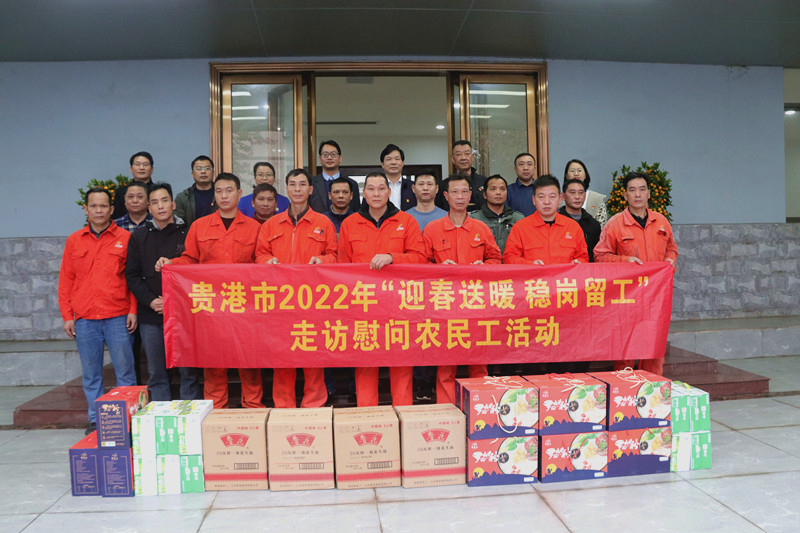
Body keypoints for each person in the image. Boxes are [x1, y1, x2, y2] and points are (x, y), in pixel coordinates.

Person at [156, 173, 265, 409]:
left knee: (249, 361)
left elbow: (261, 263)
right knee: (214, 362)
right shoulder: (199, 226)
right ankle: (216, 410)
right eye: (219, 191)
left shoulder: (254, 227)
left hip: (244, 307)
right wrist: (172, 263)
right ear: (214, 195)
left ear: (239, 194)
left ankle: (253, 407)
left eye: (229, 190)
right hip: (211, 308)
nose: (224, 195)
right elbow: (190, 259)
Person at [338, 172, 426, 407]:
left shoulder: (406, 221)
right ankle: (367, 416)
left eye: (381, 189)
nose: (376, 194)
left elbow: (420, 258)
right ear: (364, 193)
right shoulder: (349, 224)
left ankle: (404, 415)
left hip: (399, 305)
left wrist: (392, 257)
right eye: (371, 189)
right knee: (366, 365)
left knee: (401, 364)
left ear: (389, 192)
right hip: (363, 306)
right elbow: (341, 266)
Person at [58, 187, 138, 434]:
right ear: (86, 209)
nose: (99, 210)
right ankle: (96, 420)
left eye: (104, 206)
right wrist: (67, 316)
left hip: (118, 316)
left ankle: (128, 419)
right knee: (92, 374)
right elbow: (66, 280)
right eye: (94, 206)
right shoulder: (74, 240)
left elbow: (133, 278)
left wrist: (133, 310)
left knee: (125, 372)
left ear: (112, 209)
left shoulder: (125, 238)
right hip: (85, 319)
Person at [255, 169, 337, 408]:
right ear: (286, 189)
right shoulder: (271, 224)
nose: (298, 189)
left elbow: (335, 255)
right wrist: (267, 261)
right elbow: (260, 255)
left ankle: (314, 405)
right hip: (280, 302)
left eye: (302, 184)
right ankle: (284, 407)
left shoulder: (323, 223)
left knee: (313, 358)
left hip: (313, 301)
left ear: (310, 190)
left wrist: (322, 260)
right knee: (282, 358)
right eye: (293, 184)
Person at [423, 175, 500, 405]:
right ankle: (446, 410)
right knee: (446, 366)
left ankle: (481, 407)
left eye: (464, 192)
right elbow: (420, 265)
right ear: (446, 196)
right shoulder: (433, 229)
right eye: (455, 192)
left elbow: (496, 259)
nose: (460, 197)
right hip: (444, 307)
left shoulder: (481, 228)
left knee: (479, 364)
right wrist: (438, 269)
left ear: (470, 196)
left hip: (476, 306)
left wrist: (484, 266)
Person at [595, 170, 678, 375]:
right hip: (627, 297)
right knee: (626, 349)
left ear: (649, 193)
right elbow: (600, 256)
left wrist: (670, 261)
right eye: (632, 190)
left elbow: (672, 249)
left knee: (654, 347)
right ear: (625, 195)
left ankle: (654, 387)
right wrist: (625, 261)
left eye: (642, 189)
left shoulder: (661, 222)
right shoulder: (615, 224)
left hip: (656, 297)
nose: (638, 194)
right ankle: (626, 389)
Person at [125, 183, 201, 401]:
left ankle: (190, 413)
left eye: (165, 200)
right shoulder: (139, 236)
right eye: (155, 202)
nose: (160, 206)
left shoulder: (187, 233)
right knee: (156, 372)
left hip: (183, 313)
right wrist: (151, 301)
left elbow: (196, 269)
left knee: (189, 370)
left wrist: (173, 301)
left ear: (173, 204)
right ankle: (160, 414)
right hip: (151, 314)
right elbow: (132, 275)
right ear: (149, 208)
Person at [503, 175, 589, 265]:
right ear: (534, 200)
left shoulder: (573, 227)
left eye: (552, 197)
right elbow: (509, 258)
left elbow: (584, 257)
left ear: (560, 199)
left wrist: (578, 263)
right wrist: (529, 265)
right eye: (541, 197)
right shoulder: (520, 228)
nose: (547, 202)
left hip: (565, 275)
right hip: (533, 274)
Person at [471, 174, 525, 254]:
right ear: (485, 195)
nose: (498, 193)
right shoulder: (474, 219)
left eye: (502, 189)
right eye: (493, 189)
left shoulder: (518, 218)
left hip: (512, 261)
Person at [309, 140, 360, 213]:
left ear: (340, 158)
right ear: (320, 158)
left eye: (333, 154)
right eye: (325, 154)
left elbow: (356, 211)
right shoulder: (311, 183)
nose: (329, 157)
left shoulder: (352, 184)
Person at [435, 140, 487, 212]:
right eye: (458, 154)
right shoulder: (443, 185)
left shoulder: (484, 182)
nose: (463, 158)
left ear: (472, 157)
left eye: (467, 154)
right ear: (452, 159)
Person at [558, 178, 602, 261]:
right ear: (563, 196)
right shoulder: (556, 221)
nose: (577, 197)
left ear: (584, 196)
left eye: (581, 193)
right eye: (572, 192)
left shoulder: (593, 224)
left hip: (587, 267)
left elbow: (597, 255)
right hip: (562, 267)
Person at [174, 155, 218, 227]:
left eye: (207, 168)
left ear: (213, 172)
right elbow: (178, 225)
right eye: (199, 168)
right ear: (192, 174)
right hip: (192, 233)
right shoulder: (182, 198)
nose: (203, 172)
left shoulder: (222, 195)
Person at [564, 159, 608, 226]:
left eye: (579, 170)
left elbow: (602, 227)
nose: (576, 174)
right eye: (572, 171)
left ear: (585, 175)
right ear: (567, 176)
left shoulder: (597, 199)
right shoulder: (559, 200)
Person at [114, 151, 155, 219]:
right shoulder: (121, 192)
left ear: (152, 169)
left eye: (145, 164)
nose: (141, 168)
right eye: (137, 164)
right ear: (131, 169)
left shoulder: (158, 191)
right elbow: (116, 218)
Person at [380, 143, 416, 211]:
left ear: (402, 163)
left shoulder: (413, 187)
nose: (393, 162)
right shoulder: (376, 187)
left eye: (397, 159)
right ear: (382, 164)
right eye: (389, 159)